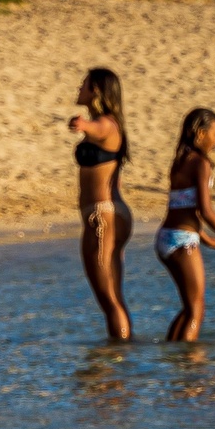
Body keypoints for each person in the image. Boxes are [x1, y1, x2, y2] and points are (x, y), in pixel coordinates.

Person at [156, 108, 215, 343]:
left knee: (189, 308)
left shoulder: (181, 160)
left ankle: (172, 357)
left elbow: (185, 209)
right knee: (196, 310)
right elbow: (206, 211)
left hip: (167, 237)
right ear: (201, 133)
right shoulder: (201, 163)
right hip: (182, 241)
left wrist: (209, 240)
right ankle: (191, 372)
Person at [68, 68, 132, 340]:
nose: (79, 87)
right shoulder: (110, 125)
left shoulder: (107, 125)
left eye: (84, 84)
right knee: (113, 297)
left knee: (109, 300)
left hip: (101, 216)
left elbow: (99, 128)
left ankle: (116, 364)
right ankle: (121, 359)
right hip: (107, 215)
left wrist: (82, 125)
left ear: (95, 90)